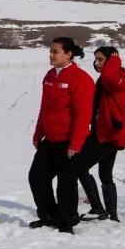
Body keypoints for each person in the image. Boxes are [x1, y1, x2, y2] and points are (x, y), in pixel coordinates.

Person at [29, 37, 94, 234]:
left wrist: (75, 143)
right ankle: (48, 215)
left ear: (69, 54)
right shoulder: (49, 76)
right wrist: (38, 134)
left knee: (66, 184)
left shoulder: (81, 78)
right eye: (50, 51)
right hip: (50, 139)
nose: (51, 55)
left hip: (70, 141)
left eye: (55, 51)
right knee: (37, 177)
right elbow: (44, 108)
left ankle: (67, 220)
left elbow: (83, 115)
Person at [73, 47, 125, 221]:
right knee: (105, 175)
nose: (96, 63)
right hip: (106, 133)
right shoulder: (105, 79)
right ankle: (112, 215)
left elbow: (109, 77)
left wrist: (114, 61)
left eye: (101, 59)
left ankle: (98, 208)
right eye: (95, 59)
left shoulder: (120, 77)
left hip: (110, 135)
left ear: (112, 61)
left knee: (80, 167)